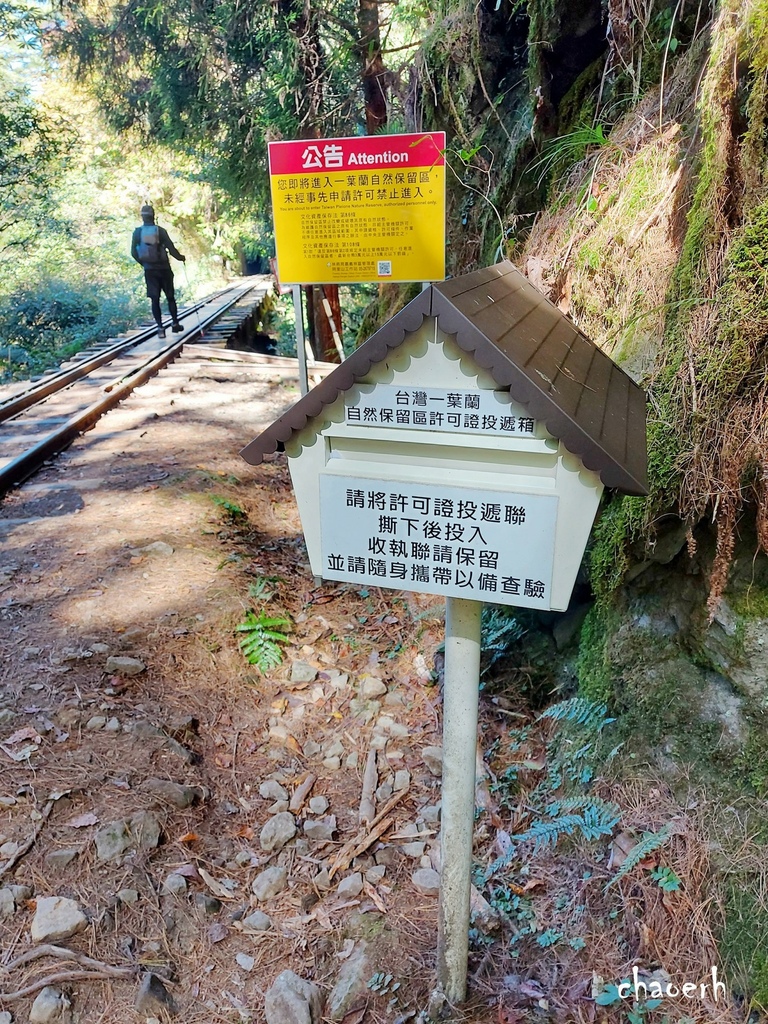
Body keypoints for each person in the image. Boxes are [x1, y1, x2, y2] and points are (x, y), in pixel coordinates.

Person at [131, 205, 186, 338]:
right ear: (153, 215)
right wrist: (181, 258)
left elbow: (133, 252)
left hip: (150, 270)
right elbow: (171, 249)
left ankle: (160, 328)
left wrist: (144, 263)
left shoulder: (137, 232)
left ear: (142, 217)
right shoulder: (160, 231)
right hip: (164, 269)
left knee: (155, 299)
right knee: (170, 297)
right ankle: (174, 323)